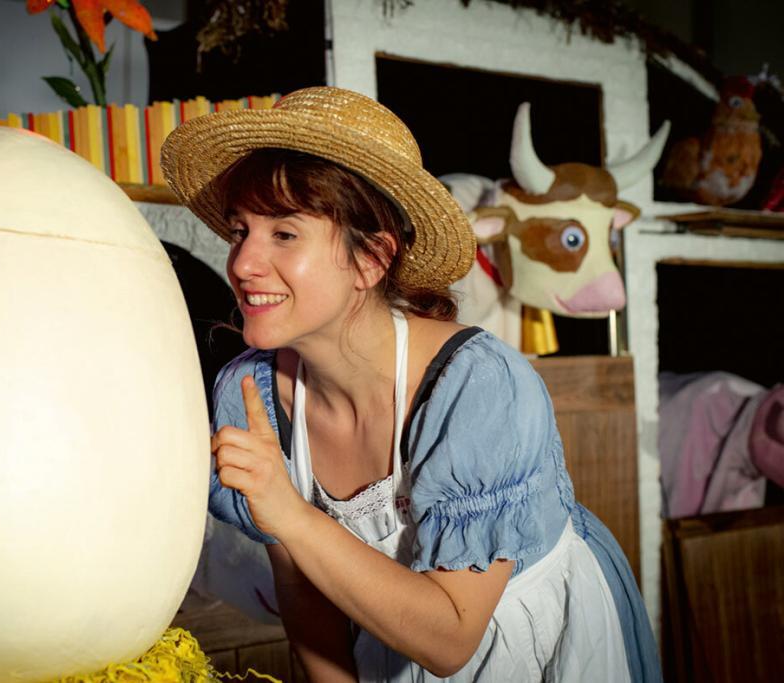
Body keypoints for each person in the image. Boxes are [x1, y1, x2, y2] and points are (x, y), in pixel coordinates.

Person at [160, 87, 660, 682]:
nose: (241, 263)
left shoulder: (478, 388)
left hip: (533, 642)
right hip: (390, 639)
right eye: (241, 231)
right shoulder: (252, 394)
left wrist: (289, 512)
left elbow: (450, 641)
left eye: (284, 235)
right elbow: (307, 598)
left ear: (371, 260)